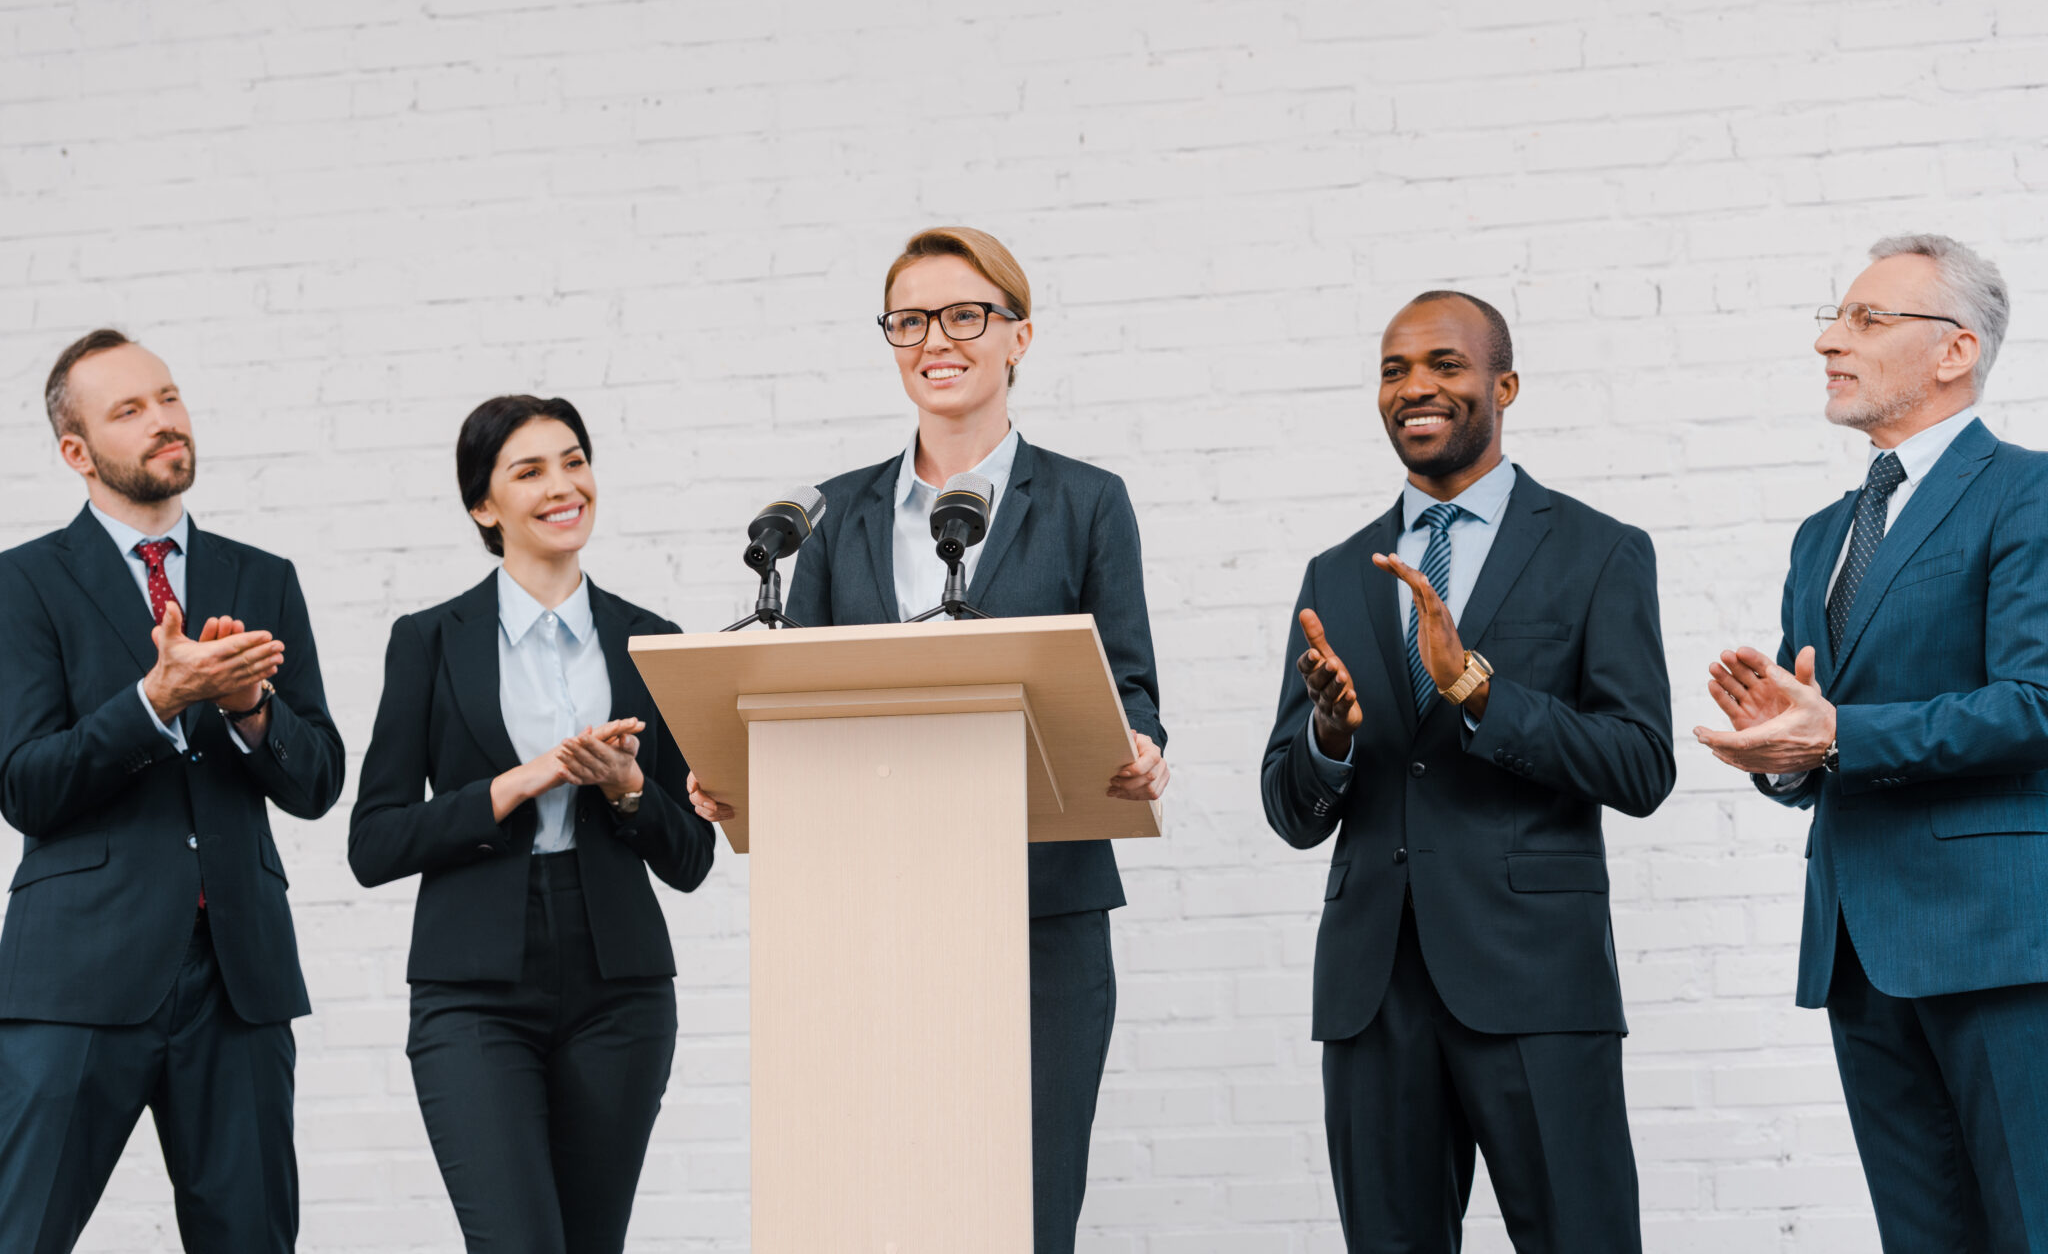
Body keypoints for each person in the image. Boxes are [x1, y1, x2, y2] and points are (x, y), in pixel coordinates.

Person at [686, 226, 1170, 1254]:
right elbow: (793, 692)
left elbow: (1128, 681)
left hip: (1044, 911)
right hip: (869, 912)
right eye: (907, 319)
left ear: (1017, 336)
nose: (932, 340)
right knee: (878, 1207)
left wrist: (1139, 741)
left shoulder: (1087, 501)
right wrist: (739, 776)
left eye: (963, 315)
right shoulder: (828, 514)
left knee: (1026, 1213)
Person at [1260, 292, 1674, 1252]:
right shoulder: (1336, 573)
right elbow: (1290, 805)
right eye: (1395, 369)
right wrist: (1329, 733)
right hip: (1373, 993)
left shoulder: (1597, 550)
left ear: (1505, 385)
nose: (1416, 388)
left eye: (1444, 364)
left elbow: (1641, 764)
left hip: (1537, 981)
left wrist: (1476, 688)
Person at [1697, 235, 2048, 1251]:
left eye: (1864, 319)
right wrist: (1777, 747)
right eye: (1831, 317)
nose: (1826, 340)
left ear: (1954, 351)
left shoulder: (2026, 493)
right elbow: (1813, 733)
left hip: (1994, 940)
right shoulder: (1822, 533)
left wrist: (1837, 733)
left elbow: (2035, 701)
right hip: (1856, 944)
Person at [0, 330, 346, 1253]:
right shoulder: (22, 583)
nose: (164, 421)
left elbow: (319, 781)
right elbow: (27, 785)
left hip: (240, 978)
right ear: (76, 452)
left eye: (169, 396)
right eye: (129, 410)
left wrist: (247, 706)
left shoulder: (263, 576)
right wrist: (157, 698)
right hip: (75, 976)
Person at [349, 394, 715, 1254]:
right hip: (471, 989)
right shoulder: (430, 641)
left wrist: (627, 788)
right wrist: (515, 784)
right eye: (531, 469)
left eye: (575, 459)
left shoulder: (650, 642)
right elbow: (375, 841)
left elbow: (693, 856)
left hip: (619, 987)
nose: (564, 485)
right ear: (485, 504)